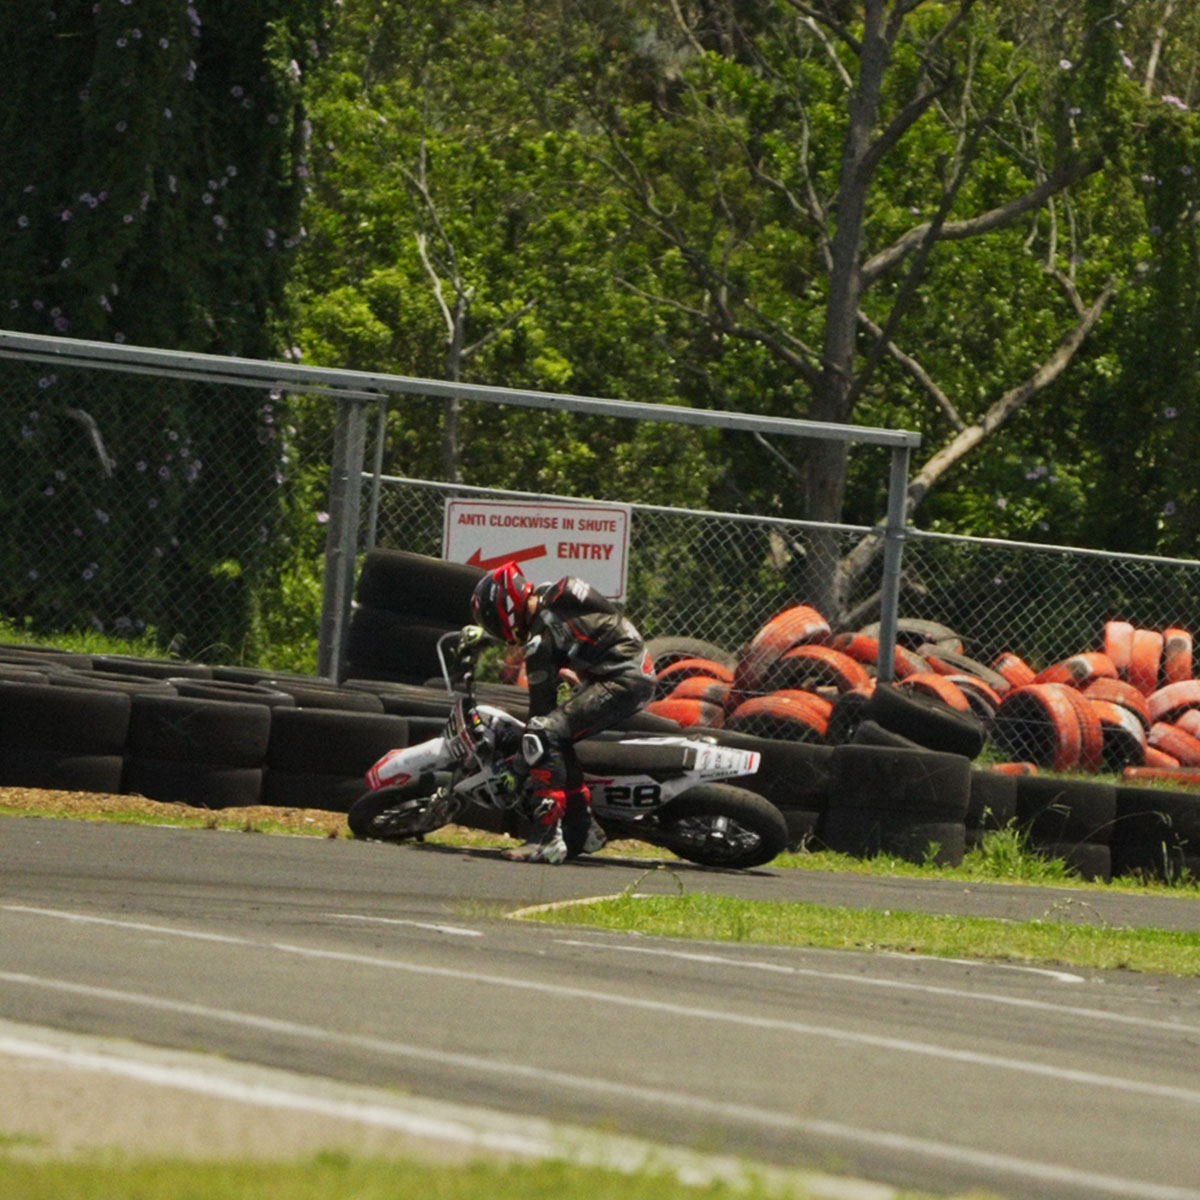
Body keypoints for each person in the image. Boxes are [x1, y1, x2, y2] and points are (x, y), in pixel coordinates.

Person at [467, 560, 656, 863]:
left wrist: (516, 765)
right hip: (628, 673)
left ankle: (547, 838)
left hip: (622, 679)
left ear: (504, 608)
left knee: (543, 732)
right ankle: (583, 827)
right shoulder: (551, 597)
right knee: (557, 736)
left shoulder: (539, 641)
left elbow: (539, 715)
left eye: (490, 620)